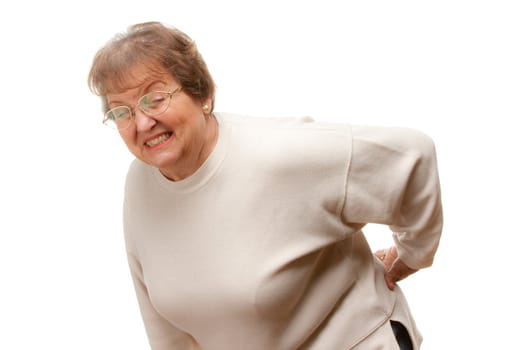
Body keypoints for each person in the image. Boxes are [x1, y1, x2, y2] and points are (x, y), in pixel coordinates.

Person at [88, 21, 443, 350]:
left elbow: (413, 154)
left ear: (202, 94)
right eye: (122, 111)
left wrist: (412, 255)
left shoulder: (281, 155)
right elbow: (162, 322)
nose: (142, 122)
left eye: (155, 98)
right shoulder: (140, 184)